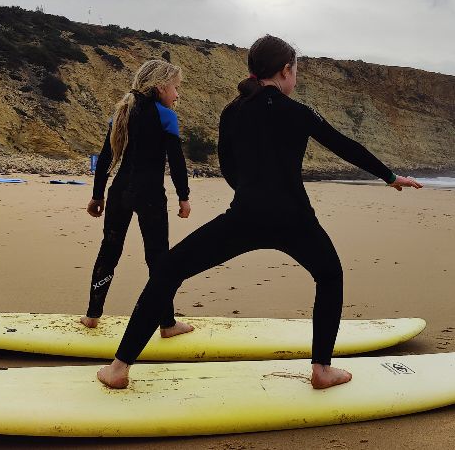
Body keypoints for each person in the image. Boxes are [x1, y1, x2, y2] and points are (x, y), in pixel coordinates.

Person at [97, 34, 422, 390]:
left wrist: (251, 195)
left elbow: (228, 166)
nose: (295, 79)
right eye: (295, 71)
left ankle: (118, 367)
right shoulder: (298, 112)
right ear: (285, 71)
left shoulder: (232, 111)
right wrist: (389, 177)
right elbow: (344, 145)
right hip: (295, 219)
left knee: (168, 271)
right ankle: (322, 369)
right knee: (329, 276)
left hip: (245, 216)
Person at [80, 59, 193, 340]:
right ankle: (167, 323)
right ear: (160, 87)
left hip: (119, 193)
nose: (177, 95)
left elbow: (106, 158)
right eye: (176, 88)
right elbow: (176, 162)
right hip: (150, 196)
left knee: (109, 250)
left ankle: (92, 315)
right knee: (158, 258)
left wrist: (97, 195)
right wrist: (184, 196)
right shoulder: (166, 116)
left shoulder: (122, 111)